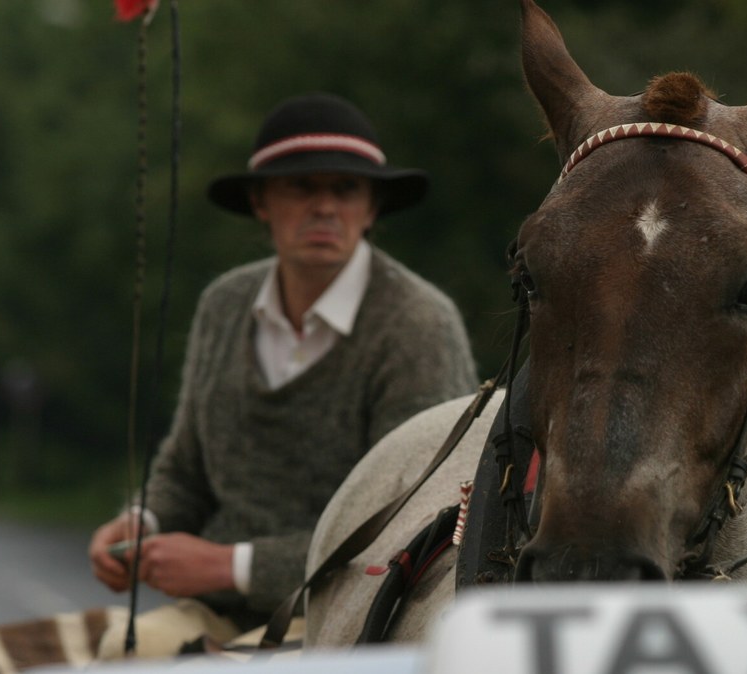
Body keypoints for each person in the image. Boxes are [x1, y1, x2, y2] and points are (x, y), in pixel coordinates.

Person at [86, 92, 478, 658]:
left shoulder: (418, 325)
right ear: (260, 202)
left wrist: (231, 565)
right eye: (301, 186)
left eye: (345, 189)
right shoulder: (225, 303)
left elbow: (417, 527)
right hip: (219, 611)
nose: (324, 207)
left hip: (351, 619)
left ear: (371, 209)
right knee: (119, 653)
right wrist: (139, 522)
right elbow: (185, 470)